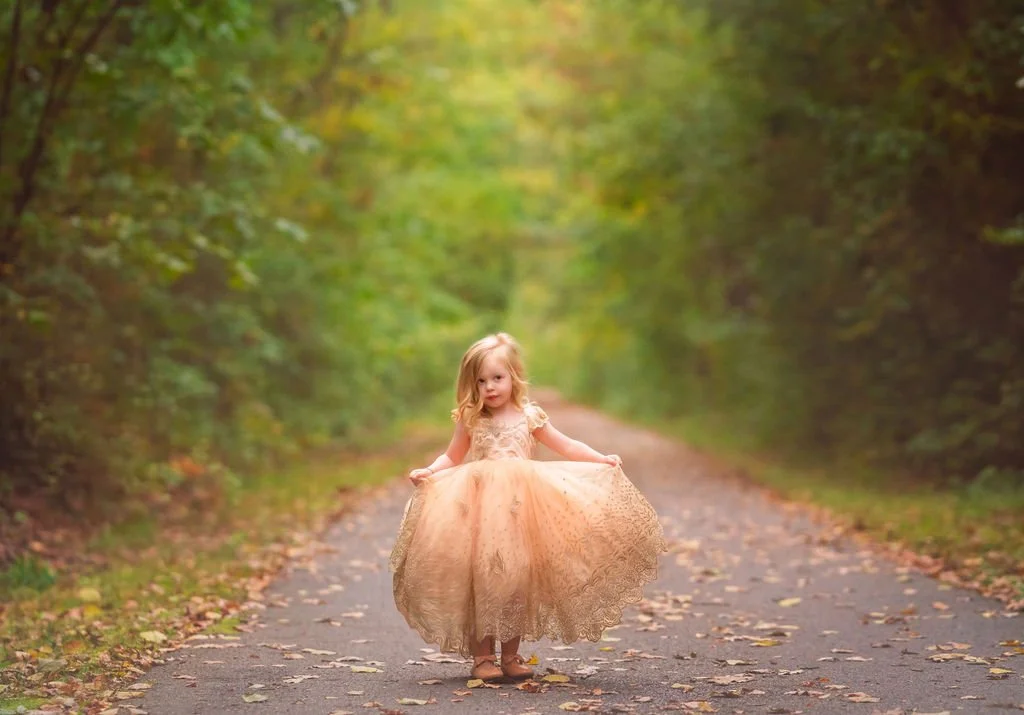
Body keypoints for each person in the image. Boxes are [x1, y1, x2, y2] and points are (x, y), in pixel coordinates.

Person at [389, 333, 666, 682]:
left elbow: (566, 445)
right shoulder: (470, 418)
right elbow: (452, 455)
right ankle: (482, 657)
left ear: (514, 376)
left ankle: (510, 655)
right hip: (478, 512)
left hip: (523, 513)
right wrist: (430, 471)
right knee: (480, 577)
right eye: (481, 380)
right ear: (470, 384)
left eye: (497, 378)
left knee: (517, 579)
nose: (489, 387)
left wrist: (600, 458)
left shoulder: (529, 416)